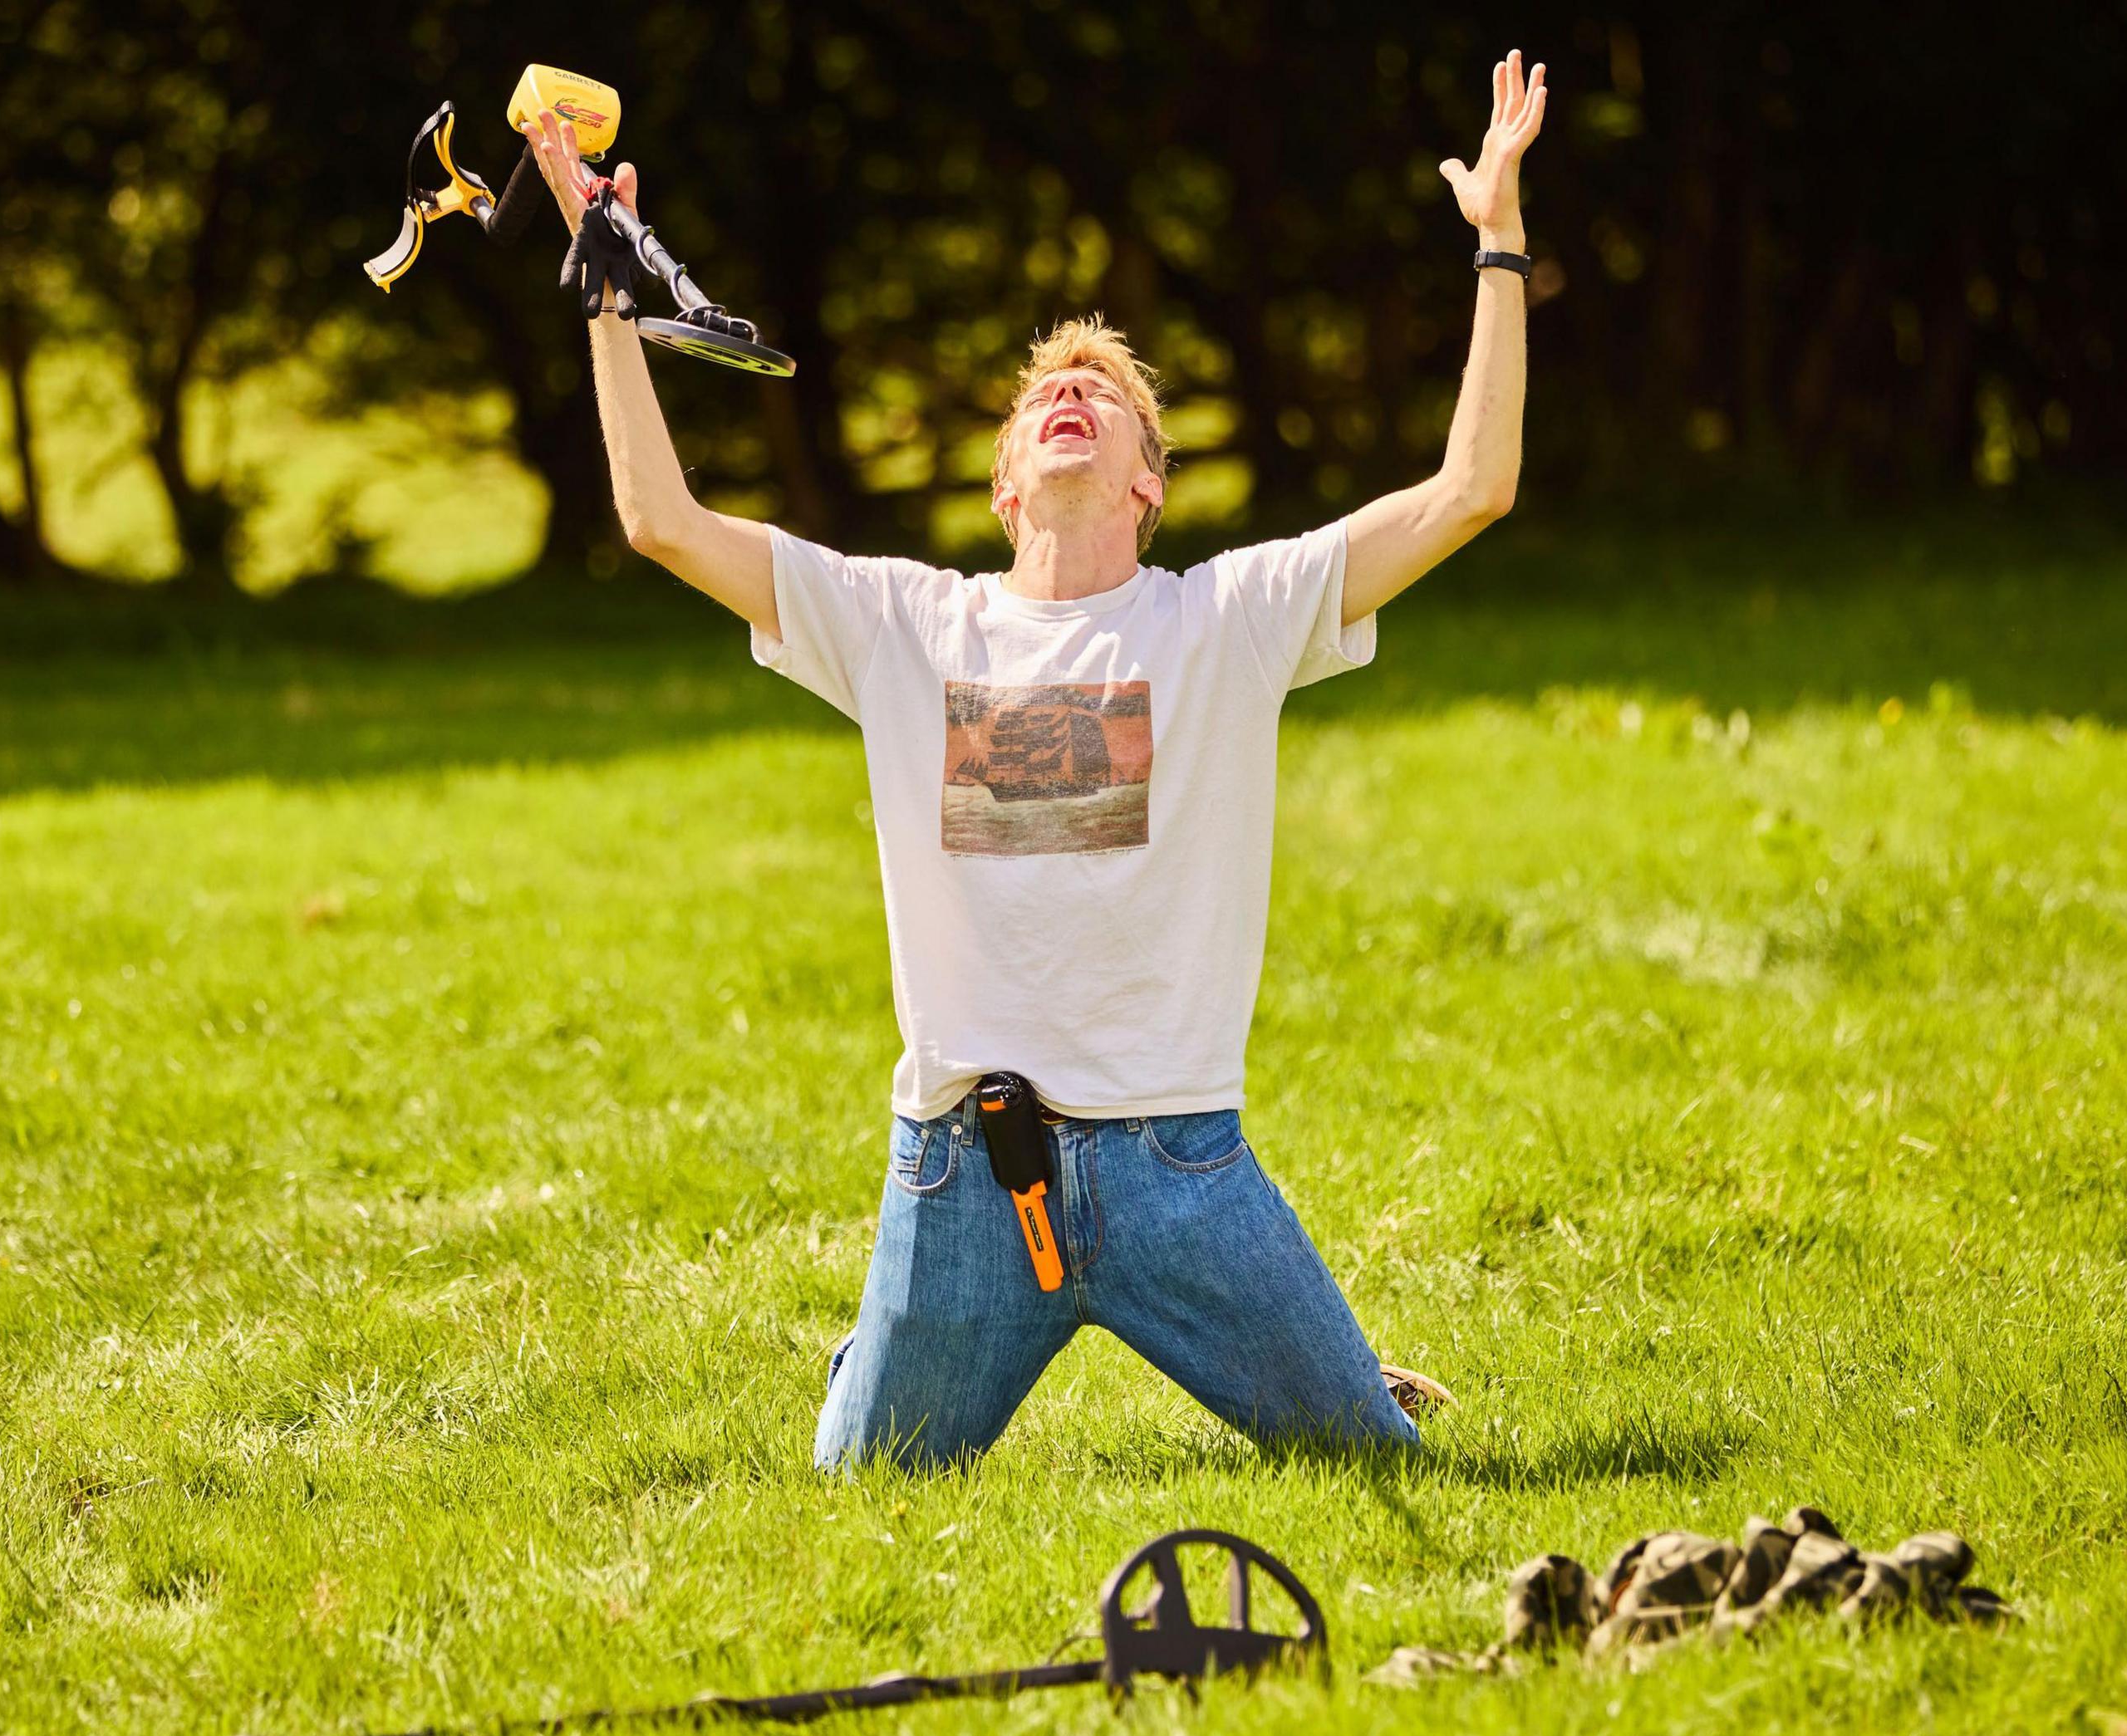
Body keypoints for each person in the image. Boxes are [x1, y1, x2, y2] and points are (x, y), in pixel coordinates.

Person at [519, 51, 1547, 1470]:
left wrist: (1498, 237)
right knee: (854, 1487)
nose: (1070, 396)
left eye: (1104, 396)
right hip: (964, 1177)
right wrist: (613, 304)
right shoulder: (900, 623)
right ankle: (881, 1342)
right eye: (1042, 397)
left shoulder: (1231, 619)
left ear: (1146, 481)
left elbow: (1473, 488)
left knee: (1376, 1462)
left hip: (1182, 1167)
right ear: (1007, 482)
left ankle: (1338, 1370)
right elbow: (659, 520)